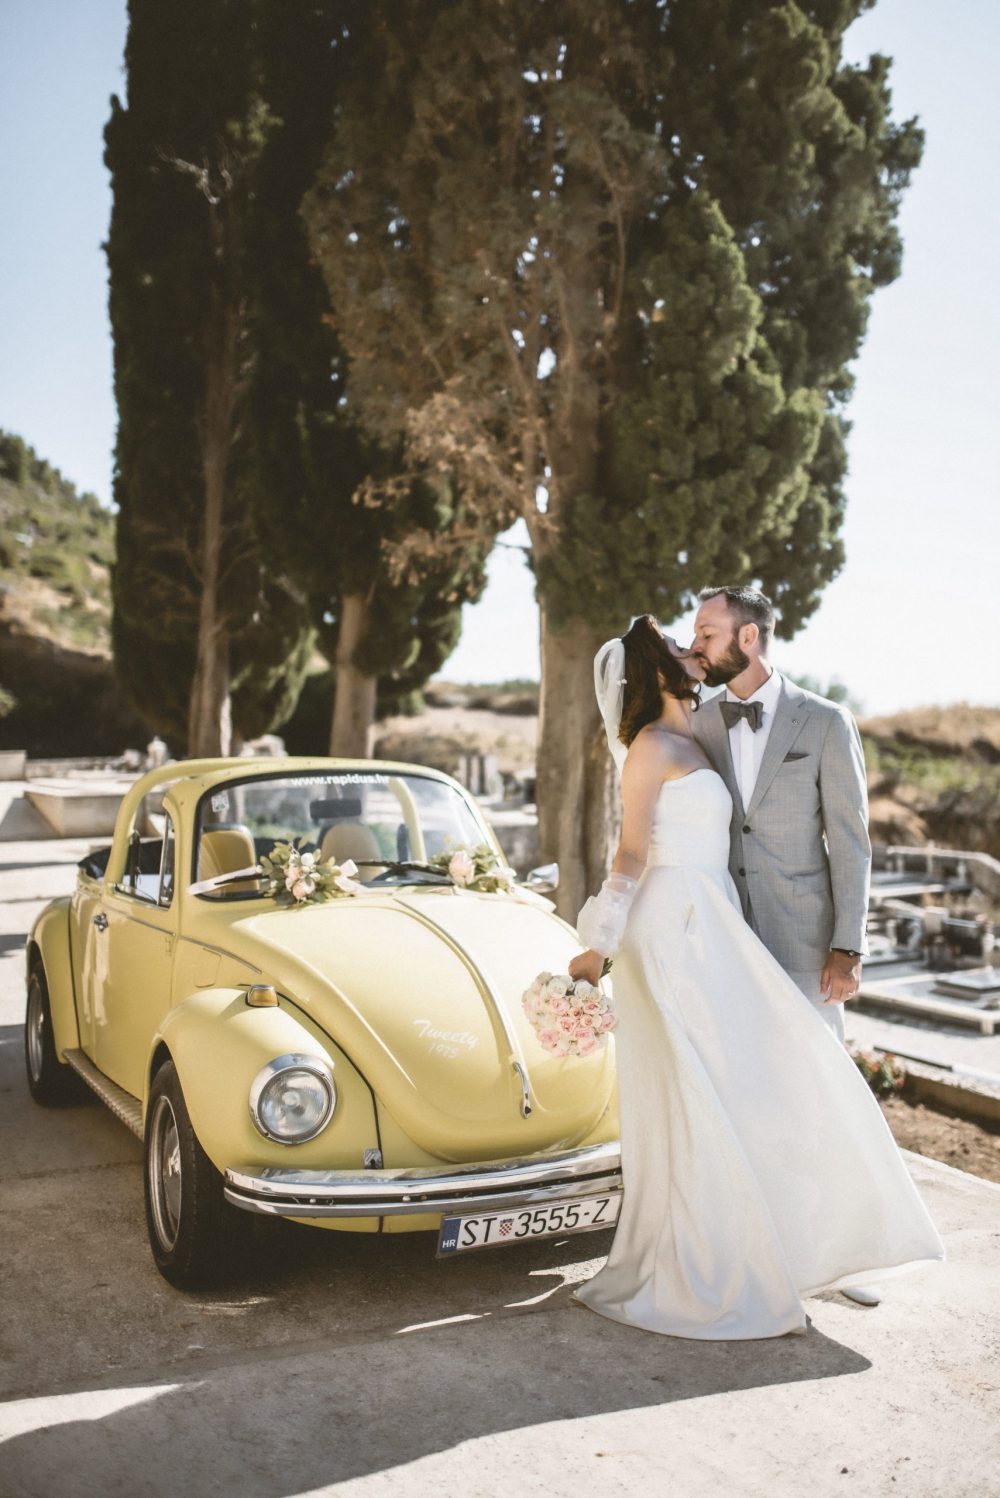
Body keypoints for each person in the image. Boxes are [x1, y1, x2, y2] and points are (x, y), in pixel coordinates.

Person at [568, 615, 943, 1340]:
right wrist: (596, 946)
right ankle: (707, 1259)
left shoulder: (698, 734)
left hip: (718, 923)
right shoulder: (649, 746)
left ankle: (817, 1245)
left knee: (762, 1079)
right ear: (653, 673)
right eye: (680, 648)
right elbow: (630, 856)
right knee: (698, 1089)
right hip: (671, 929)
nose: (693, 652)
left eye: (697, 638)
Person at [689, 584, 883, 1308]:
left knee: (820, 1090)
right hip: (726, 939)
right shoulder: (701, 724)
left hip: (807, 943)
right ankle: (769, 1244)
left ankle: (846, 1255)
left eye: (707, 631)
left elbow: (853, 841)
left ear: (748, 639)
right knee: (749, 1094)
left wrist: (847, 945)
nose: (696, 643)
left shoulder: (826, 722)